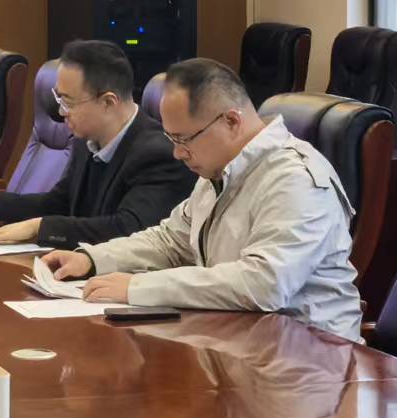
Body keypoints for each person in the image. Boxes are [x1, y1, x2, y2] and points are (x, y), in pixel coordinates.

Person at [39, 57, 362, 340]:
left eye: (184, 139)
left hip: (310, 361)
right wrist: (93, 259)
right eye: (171, 139)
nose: (177, 153)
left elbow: (264, 284)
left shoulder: (295, 180)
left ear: (231, 121)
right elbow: (170, 241)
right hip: (240, 342)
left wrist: (136, 288)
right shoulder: (219, 170)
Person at [0, 40, 191, 248]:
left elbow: (128, 229)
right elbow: (59, 203)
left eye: (68, 102)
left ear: (108, 102)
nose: (62, 112)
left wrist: (39, 227)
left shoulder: (159, 154)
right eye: (59, 99)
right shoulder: (86, 140)